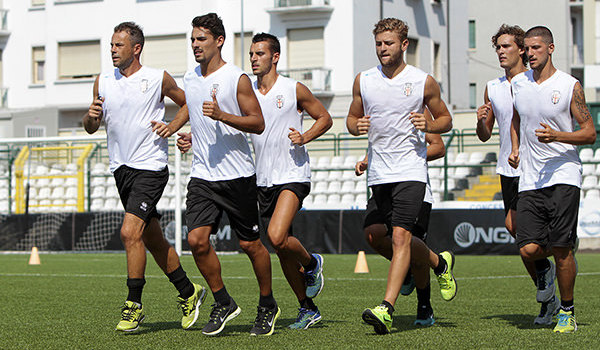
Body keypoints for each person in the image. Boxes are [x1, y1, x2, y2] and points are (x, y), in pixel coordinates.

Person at [177, 32, 334, 330]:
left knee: (275, 236)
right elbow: (227, 129)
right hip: (260, 179)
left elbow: (324, 117)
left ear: (275, 57)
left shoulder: (293, 88)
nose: (253, 58)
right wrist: (194, 138)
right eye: (251, 54)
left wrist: (305, 137)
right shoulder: (246, 90)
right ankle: (307, 307)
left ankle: (312, 263)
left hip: (292, 175)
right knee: (281, 247)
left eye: (260, 54)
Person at [154, 13, 278, 336]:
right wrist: (179, 130)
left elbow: (257, 122)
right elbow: (191, 107)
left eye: (201, 39)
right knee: (196, 240)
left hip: (238, 176)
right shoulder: (191, 77)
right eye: (192, 39)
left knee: (251, 245)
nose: (195, 44)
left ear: (219, 41)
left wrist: (223, 115)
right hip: (203, 175)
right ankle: (223, 300)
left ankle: (267, 304)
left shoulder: (236, 78)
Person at [83, 22, 205, 333]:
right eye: (111, 45)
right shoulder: (102, 81)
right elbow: (89, 126)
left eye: (118, 45)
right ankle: (189, 292)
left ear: (136, 48)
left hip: (150, 166)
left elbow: (188, 104)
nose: (112, 50)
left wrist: (173, 126)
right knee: (150, 238)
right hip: (120, 169)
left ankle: (133, 306)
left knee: (129, 232)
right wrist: (91, 117)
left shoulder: (156, 78)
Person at [346, 18, 454, 334]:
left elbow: (445, 120)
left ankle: (387, 308)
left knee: (401, 236)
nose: (383, 49)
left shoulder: (423, 81)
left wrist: (428, 124)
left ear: (404, 45)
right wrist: (356, 127)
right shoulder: (363, 80)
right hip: (379, 172)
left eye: (389, 43)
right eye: (379, 43)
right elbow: (351, 119)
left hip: (410, 170)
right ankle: (439, 263)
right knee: (375, 234)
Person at [509, 26, 596, 334]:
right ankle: (557, 263)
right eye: (526, 49)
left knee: (561, 249)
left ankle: (567, 311)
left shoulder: (569, 85)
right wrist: (516, 148)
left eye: (535, 48)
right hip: (530, 177)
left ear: (550, 48)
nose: (529, 53)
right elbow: (517, 119)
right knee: (528, 249)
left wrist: (558, 136)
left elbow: (589, 132)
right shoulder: (518, 83)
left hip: (564, 173)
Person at [476, 24, 558, 325]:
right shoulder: (492, 86)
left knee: (525, 237)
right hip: (505, 167)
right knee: (514, 228)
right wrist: (482, 121)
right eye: (497, 47)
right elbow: (485, 135)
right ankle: (546, 278)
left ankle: (554, 263)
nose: (500, 52)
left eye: (506, 46)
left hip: (534, 166)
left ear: (521, 49)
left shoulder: (533, 80)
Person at [356, 131, 455, 327]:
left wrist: (404, 160)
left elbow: (439, 146)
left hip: (412, 182)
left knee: (412, 250)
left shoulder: (415, 104)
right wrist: (368, 159)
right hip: (382, 183)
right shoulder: (377, 105)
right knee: (372, 233)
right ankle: (433, 264)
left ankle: (424, 306)